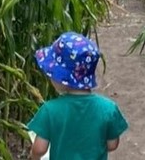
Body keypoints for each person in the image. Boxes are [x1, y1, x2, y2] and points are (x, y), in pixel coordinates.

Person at [27, 32, 129, 160]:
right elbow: (112, 144)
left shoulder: (50, 110)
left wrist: (34, 157)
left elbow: (39, 149)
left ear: (62, 77)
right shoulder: (108, 109)